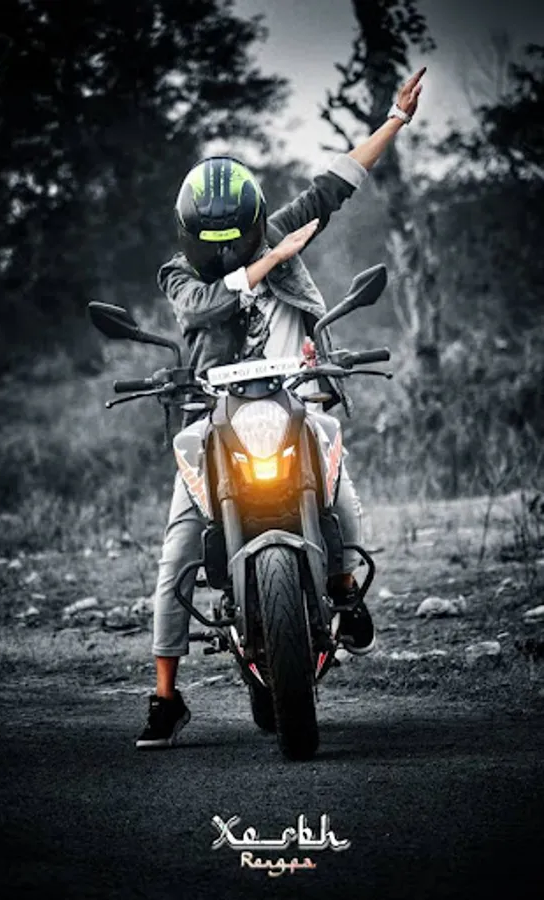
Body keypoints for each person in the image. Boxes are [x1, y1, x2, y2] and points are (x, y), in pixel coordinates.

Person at [136, 67, 426, 748]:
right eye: (213, 244)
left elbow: (336, 184)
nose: (226, 251)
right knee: (177, 552)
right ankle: (165, 696)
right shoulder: (179, 273)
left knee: (340, 488)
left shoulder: (280, 228)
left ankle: (344, 585)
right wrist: (268, 263)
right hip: (214, 420)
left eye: (239, 240)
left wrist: (393, 119)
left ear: (251, 223)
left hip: (295, 404)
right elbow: (199, 309)